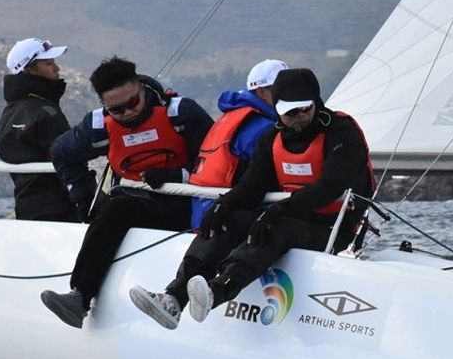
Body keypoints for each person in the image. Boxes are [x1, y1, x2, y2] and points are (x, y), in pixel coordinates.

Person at [130, 67, 374, 330]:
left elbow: (330, 185)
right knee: (226, 219)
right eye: (291, 112)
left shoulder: (341, 133)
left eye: (306, 108)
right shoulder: (271, 138)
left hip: (336, 230)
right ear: (278, 109)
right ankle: (174, 298)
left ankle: (216, 292)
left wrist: (280, 209)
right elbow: (253, 185)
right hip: (292, 216)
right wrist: (225, 204)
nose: (300, 116)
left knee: (276, 226)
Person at [39, 56, 214, 328]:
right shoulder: (99, 126)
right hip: (138, 200)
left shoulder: (181, 114)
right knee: (113, 209)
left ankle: (179, 294)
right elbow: (61, 153)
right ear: (105, 106)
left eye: (133, 103)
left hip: (184, 202)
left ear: (141, 89)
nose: (128, 113)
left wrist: (175, 176)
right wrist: (83, 198)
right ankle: (80, 297)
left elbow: (217, 163)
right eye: (117, 110)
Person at [187, 58, 287, 227]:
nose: (287, 95)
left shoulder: (230, 116)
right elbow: (263, 176)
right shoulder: (265, 127)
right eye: (281, 90)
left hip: (203, 212)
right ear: (262, 91)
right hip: (227, 217)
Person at [0, 38, 80, 222]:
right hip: (60, 210)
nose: (57, 68)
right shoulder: (45, 113)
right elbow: (68, 159)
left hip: (26, 208)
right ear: (28, 70)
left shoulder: (10, 113)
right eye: (49, 63)